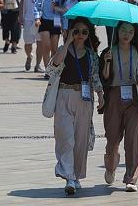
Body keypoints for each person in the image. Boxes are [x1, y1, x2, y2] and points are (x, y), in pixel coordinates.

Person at [48, 17, 104, 195]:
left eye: (84, 32)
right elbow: (53, 66)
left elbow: (95, 77)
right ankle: (68, 176)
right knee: (66, 137)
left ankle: (75, 175)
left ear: (89, 35)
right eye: (77, 31)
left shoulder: (91, 55)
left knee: (80, 140)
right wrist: (67, 42)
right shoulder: (64, 50)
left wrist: (101, 95)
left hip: (84, 99)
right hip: (64, 95)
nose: (80, 35)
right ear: (71, 32)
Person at [99, 22, 138, 192]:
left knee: (133, 139)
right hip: (114, 96)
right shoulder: (109, 52)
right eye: (123, 30)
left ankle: (131, 178)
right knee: (112, 139)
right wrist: (106, 63)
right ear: (117, 31)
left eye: (130, 31)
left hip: (134, 98)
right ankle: (111, 166)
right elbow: (104, 78)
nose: (126, 34)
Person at [19, 0, 49, 72]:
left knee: (40, 43)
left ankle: (37, 65)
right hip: (28, 18)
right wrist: (20, 15)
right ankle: (29, 56)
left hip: (40, 20)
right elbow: (22, 1)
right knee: (28, 44)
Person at [36, 0, 67, 77]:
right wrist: (37, 18)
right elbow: (37, 6)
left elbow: (64, 12)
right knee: (46, 46)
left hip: (56, 22)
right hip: (44, 21)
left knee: (54, 48)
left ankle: (53, 69)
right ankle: (47, 71)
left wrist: (64, 27)